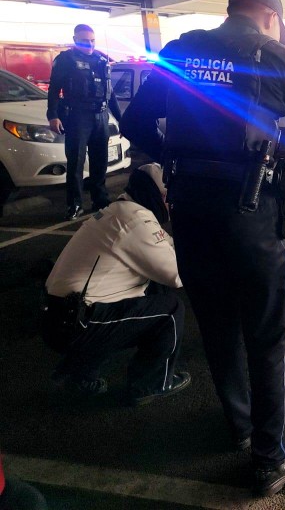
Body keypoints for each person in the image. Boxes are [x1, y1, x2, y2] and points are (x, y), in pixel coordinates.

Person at [120, 0, 285, 497]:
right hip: (250, 213)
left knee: (217, 325)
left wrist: (178, 159)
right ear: (270, 15)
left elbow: (134, 121)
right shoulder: (280, 58)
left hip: (190, 209)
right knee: (265, 333)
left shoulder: (180, 51)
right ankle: (270, 456)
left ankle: (239, 426)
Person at [43, 164, 190, 405]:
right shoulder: (135, 222)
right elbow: (177, 275)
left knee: (151, 289)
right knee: (170, 311)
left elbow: (166, 246)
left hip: (59, 315)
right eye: (167, 197)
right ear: (153, 194)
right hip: (75, 322)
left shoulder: (121, 211)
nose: (170, 203)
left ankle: (77, 373)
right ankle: (150, 384)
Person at [47, 24, 122, 220]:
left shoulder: (101, 60)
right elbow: (54, 89)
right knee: (76, 162)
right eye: (84, 41)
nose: (89, 44)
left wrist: (121, 119)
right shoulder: (65, 60)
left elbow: (110, 92)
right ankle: (75, 204)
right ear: (75, 40)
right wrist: (52, 115)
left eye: (92, 40)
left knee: (100, 162)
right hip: (77, 117)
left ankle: (100, 199)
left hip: (101, 116)